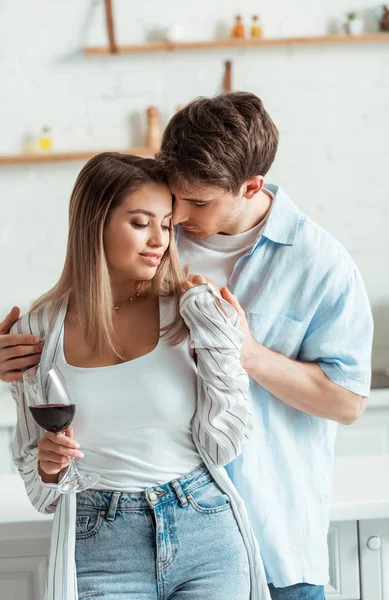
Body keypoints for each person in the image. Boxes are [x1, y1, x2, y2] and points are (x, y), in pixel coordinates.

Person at [0, 91, 373, 600]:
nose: (173, 224)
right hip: (116, 529)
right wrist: (24, 365)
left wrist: (244, 351)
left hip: (272, 530)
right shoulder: (160, 236)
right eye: (170, 204)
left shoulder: (319, 263)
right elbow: (89, 318)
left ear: (250, 187)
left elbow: (348, 402)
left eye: (194, 204)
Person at [6, 153, 268, 600]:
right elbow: (41, 491)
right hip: (99, 546)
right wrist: (50, 467)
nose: (159, 241)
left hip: (204, 529)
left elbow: (225, 447)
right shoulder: (39, 332)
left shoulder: (191, 313)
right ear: (96, 223)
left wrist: (220, 340)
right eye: (140, 222)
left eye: (166, 224)